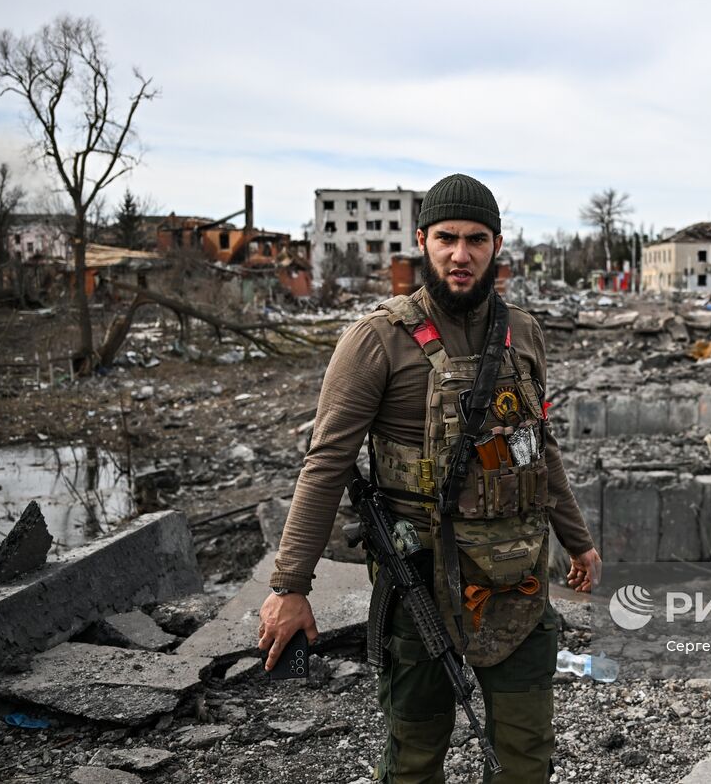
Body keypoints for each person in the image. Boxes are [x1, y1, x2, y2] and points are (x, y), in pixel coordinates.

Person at [258, 173, 602, 783]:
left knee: (527, 758)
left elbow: (536, 445)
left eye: (476, 240)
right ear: (422, 240)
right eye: (447, 238)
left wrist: (577, 539)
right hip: (419, 583)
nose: (460, 255)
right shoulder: (376, 339)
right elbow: (327, 463)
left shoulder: (523, 333)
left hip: (517, 583)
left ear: (497, 246)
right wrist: (290, 584)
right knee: (415, 761)